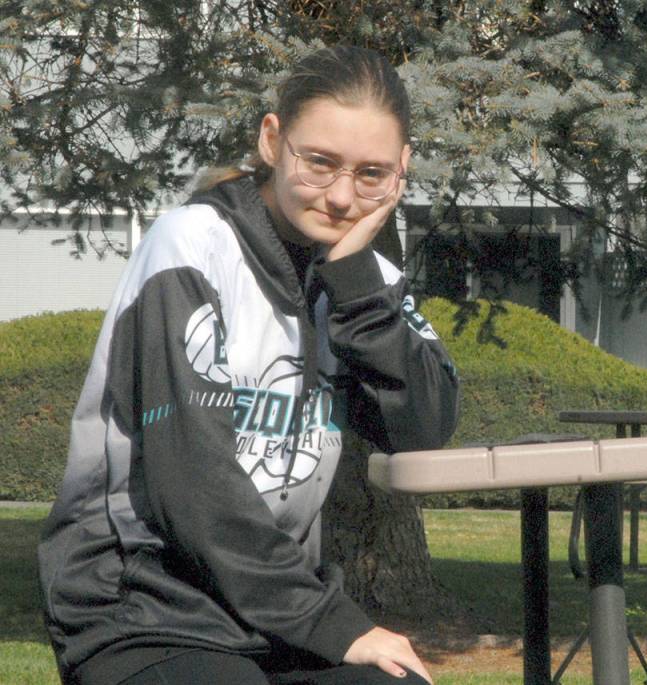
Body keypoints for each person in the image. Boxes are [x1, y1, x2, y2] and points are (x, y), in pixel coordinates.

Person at [37, 45, 459, 685]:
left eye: (372, 173)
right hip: (145, 607)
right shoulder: (190, 246)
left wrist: (358, 293)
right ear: (271, 140)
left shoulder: (365, 279)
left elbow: (423, 428)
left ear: (401, 171)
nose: (342, 196)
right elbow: (193, 481)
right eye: (319, 163)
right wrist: (332, 623)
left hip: (272, 617)